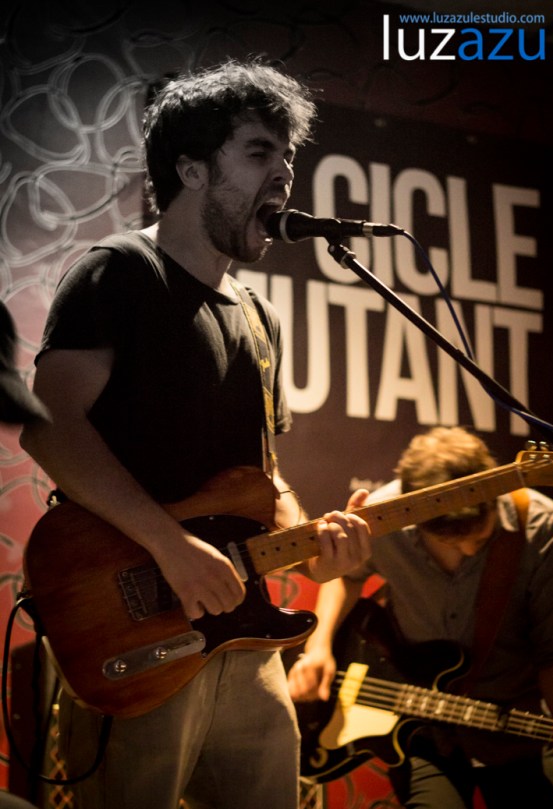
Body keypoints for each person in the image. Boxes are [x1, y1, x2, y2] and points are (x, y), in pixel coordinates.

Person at [19, 58, 371, 809]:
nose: (284, 174)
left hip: (240, 639)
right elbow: (49, 429)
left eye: (288, 156)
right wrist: (170, 545)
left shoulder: (258, 316)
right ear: (190, 167)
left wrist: (318, 537)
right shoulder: (119, 272)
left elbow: (259, 478)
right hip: (136, 627)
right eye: (258, 152)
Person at [288, 426, 553, 808]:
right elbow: (345, 578)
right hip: (420, 728)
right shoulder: (383, 519)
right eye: (451, 541)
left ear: (494, 490)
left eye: (479, 536)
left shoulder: (543, 527)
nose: (469, 550)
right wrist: (319, 648)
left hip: (515, 726)